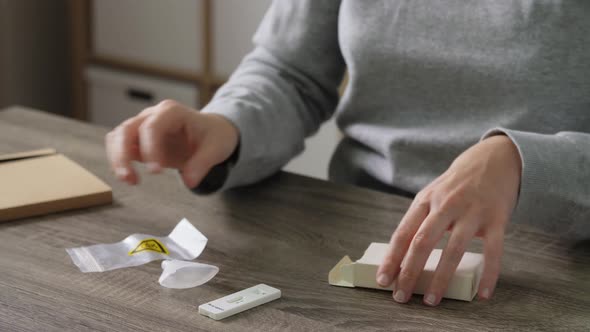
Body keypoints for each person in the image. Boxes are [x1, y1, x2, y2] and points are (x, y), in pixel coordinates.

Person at [105, 1, 590, 306]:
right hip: (361, 231)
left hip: (549, 266)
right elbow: (289, 71)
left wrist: (521, 164)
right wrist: (227, 124)